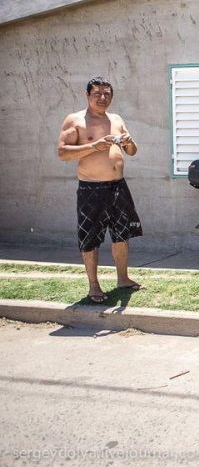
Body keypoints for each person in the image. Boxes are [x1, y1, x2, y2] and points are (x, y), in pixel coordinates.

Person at [57, 77, 144, 304]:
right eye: (97, 94)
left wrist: (128, 142)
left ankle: (123, 278)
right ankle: (94, 285)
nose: (103, 98)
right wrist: (93, 147)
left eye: (107, 94)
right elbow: (63, 152)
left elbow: (132, 151)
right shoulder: (75, 120)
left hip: (118, 186)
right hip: (91, 188)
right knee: (90, 238)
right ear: (88, 95)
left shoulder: (116, 119)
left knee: (122, 234)